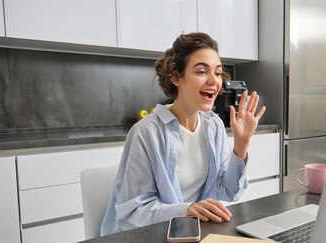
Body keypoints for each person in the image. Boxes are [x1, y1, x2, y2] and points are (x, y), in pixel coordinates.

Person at [100, 32, 266, 235]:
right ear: (177, 77)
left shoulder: (213, 125)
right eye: (202, 72)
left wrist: (241, 145)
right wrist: (185, 211)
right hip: (150, 236)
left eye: (218, 73)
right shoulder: (146, 132)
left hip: (194, 232)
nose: (213, 81)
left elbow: (228, 191)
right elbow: (133, 213)